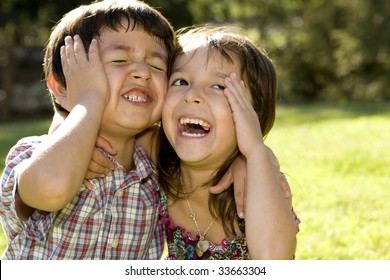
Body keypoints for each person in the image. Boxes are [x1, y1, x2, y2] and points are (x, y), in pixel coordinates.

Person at [0, 0, 176, 259]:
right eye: (119, 59)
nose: (142, 72)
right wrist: (89, 99)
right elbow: (52, 188)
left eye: (158, 66)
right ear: (61, 87)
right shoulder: (34, 153)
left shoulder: (157, 166)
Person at [157, 26, 300, 260]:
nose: (192, 95)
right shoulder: (153, 158)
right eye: (181, 81)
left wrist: (254, 152)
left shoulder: (261, 179)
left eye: (219, 86)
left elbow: (274, 261)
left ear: (253, 115)